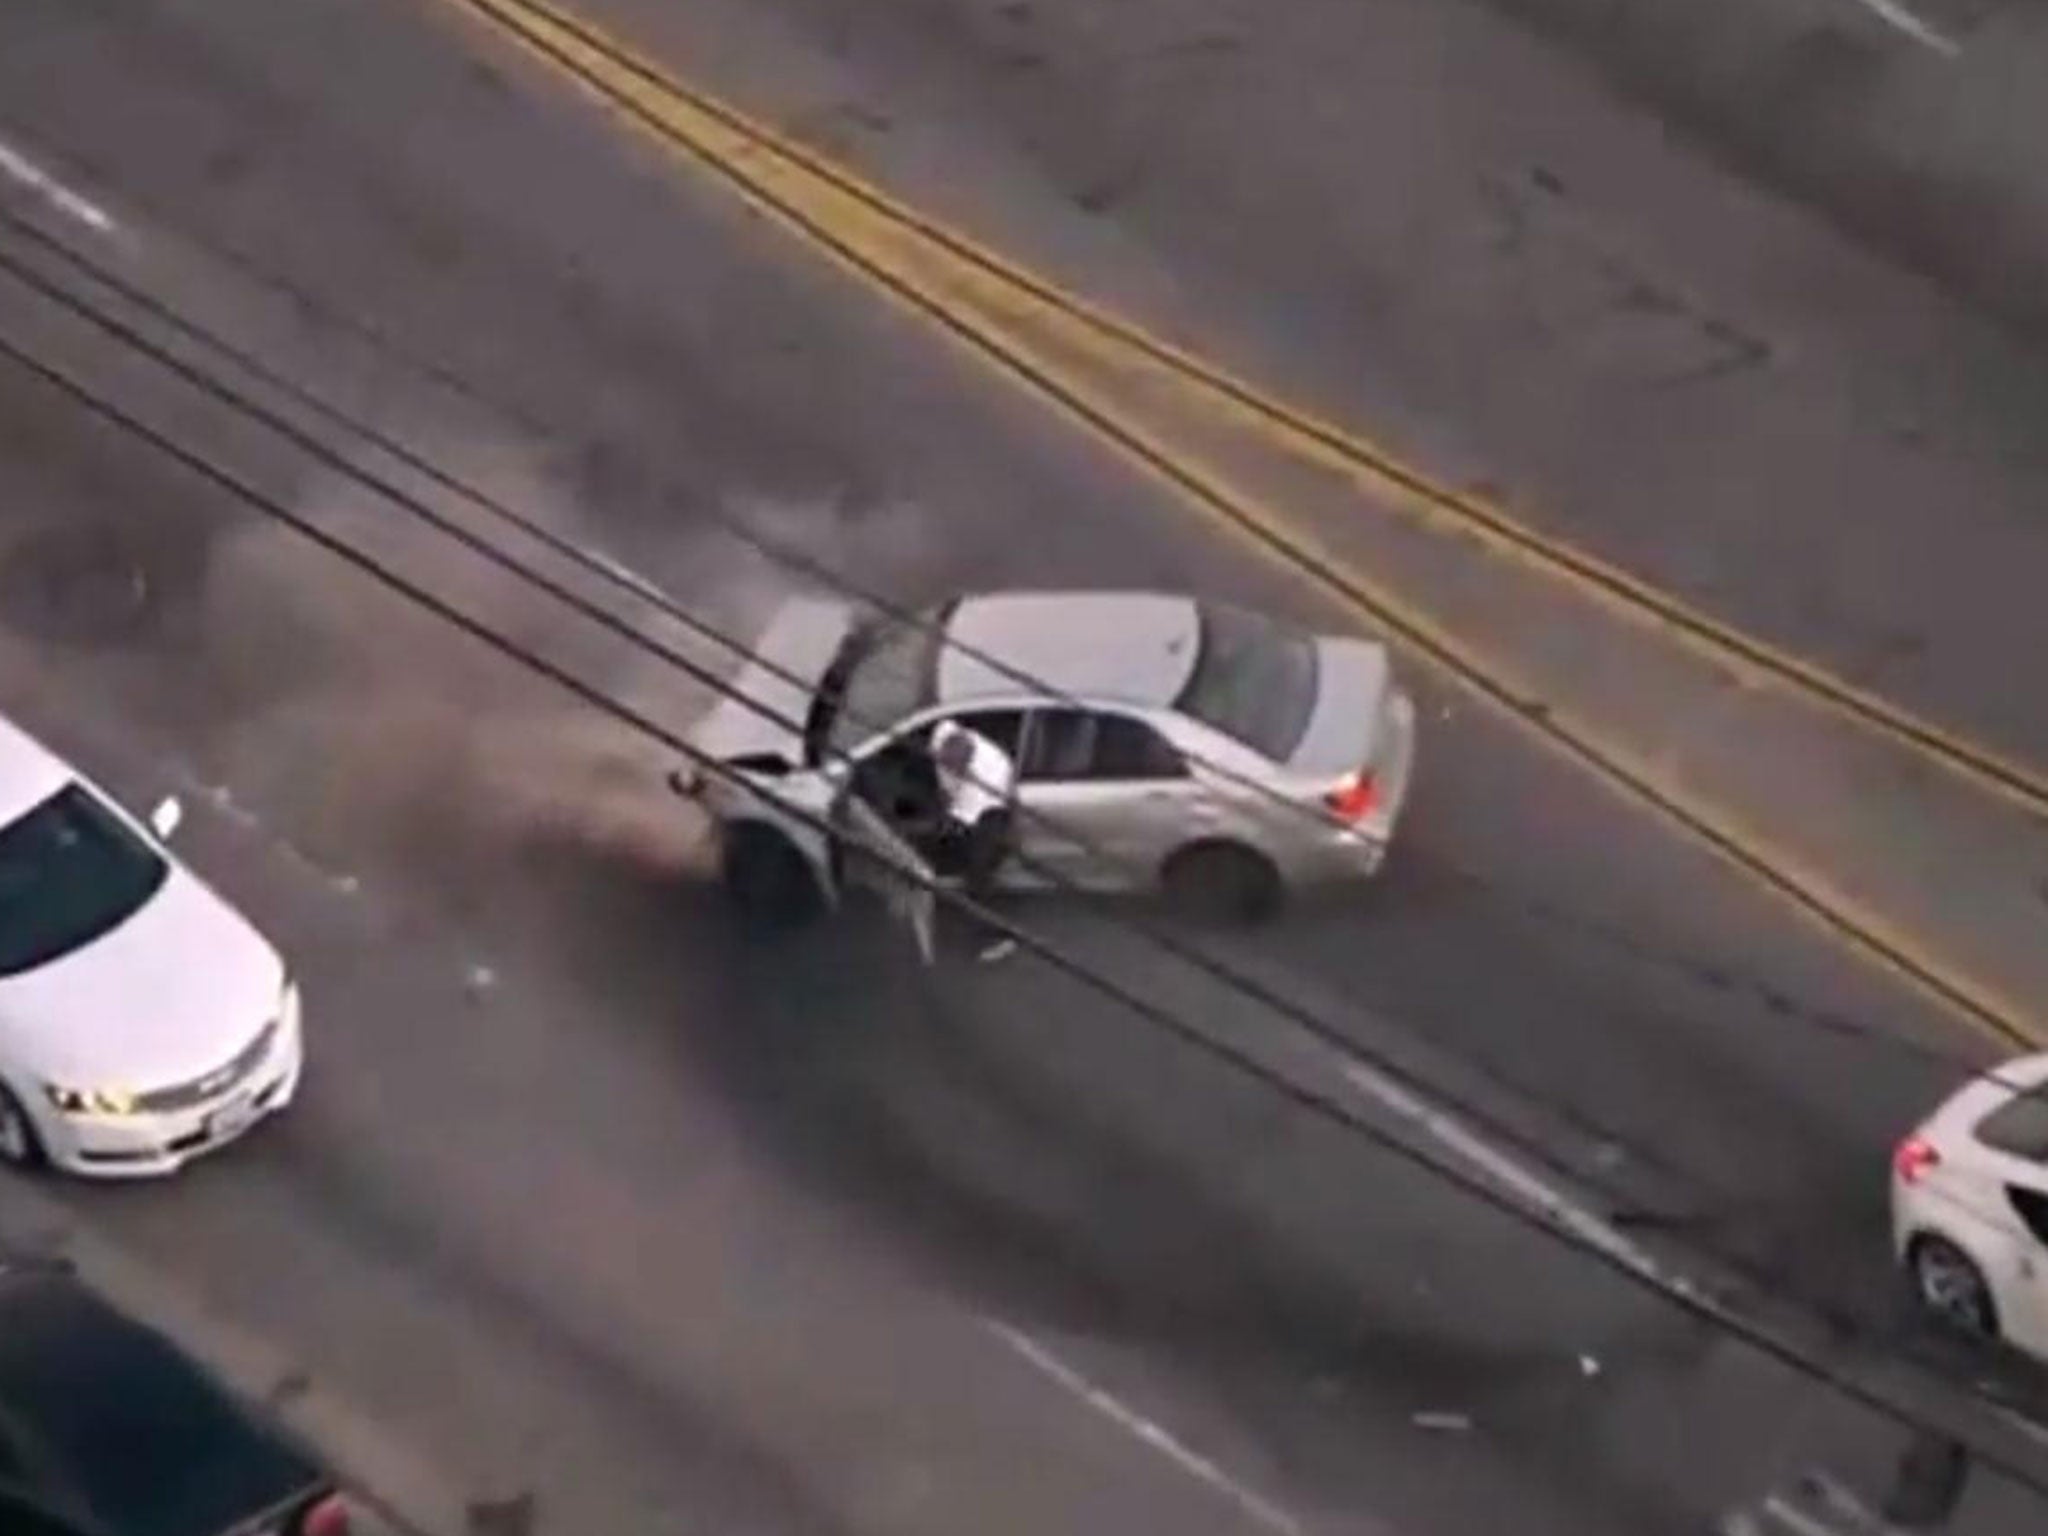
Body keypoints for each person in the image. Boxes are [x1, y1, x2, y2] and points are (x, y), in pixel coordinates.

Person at [928, 719, 1018, 962]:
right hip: (969, 811)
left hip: (991, 811)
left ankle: (995, 938)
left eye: (961, 768)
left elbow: (980, 809)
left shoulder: (993, 766)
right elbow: (947, 789)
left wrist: (954, 822)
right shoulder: (943, 745)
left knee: (979, 872)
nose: (956, 771)